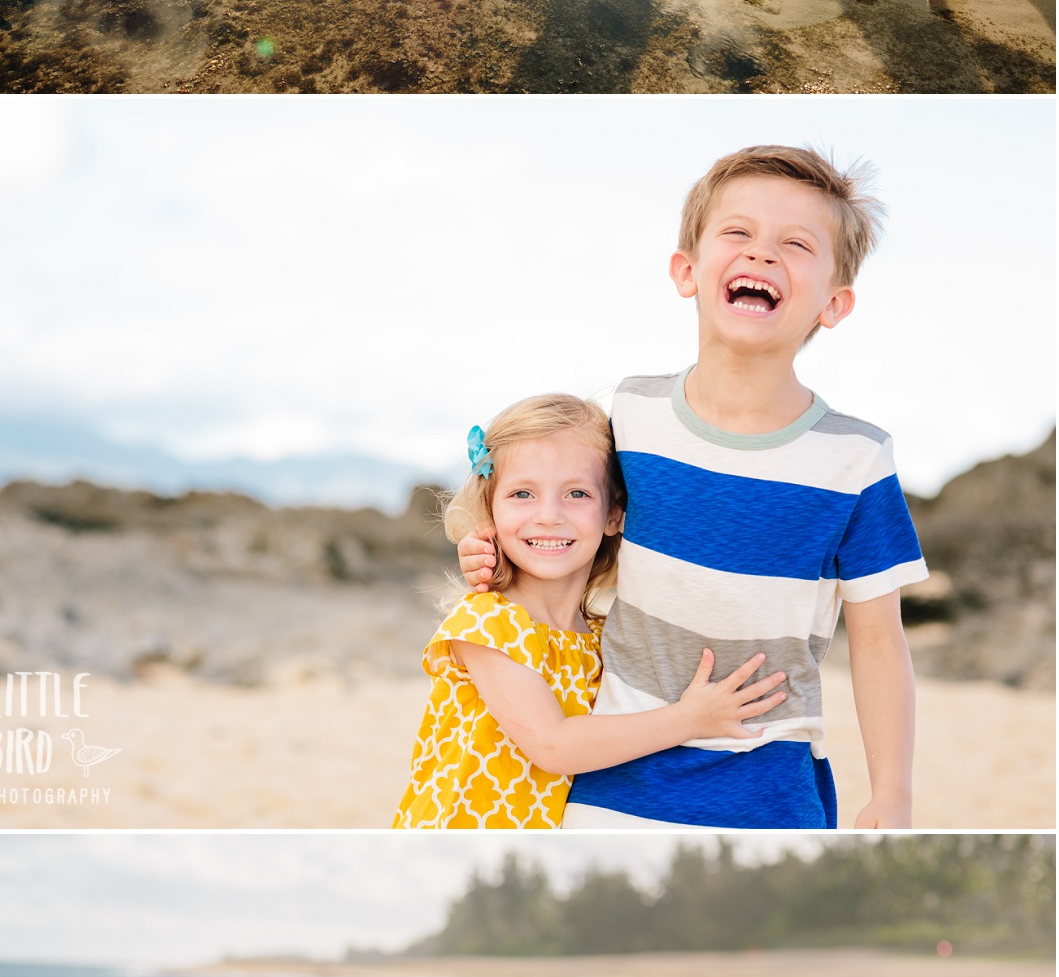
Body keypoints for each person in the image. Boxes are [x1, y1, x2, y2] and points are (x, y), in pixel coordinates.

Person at [458, 146, 928, 832]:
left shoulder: (856, 457)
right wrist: (495, 554)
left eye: (795, 243)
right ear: (687, 269)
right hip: (618, 765)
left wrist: (892, 792)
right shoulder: (630, 415)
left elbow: (881, 642)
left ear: (834, 302)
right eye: (737, 233)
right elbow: (568, 527)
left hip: (770, 777)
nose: (762, 254)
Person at [392, 393, 786, 827]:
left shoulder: (604, 635)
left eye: (576, 493)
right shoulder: (486, 623)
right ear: (490, 510)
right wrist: (691, 718)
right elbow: (554, 746)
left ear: (614, 513)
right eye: (522, 493)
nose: (548, 516)